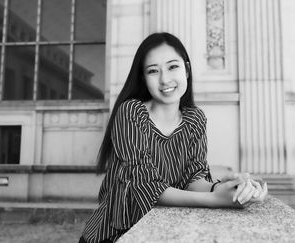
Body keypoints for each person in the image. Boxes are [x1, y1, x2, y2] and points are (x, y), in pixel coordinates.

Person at [79, 32, 268, 243]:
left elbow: (194, 178)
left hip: (160, 234)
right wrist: (215, 199)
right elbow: (145, 185)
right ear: (143, 78)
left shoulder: (195, 119)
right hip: (112, 235)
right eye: (153, 71)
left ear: (186, 69)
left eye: (172, 67)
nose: (164, 79)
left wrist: (228, 188)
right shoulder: (131, 112)